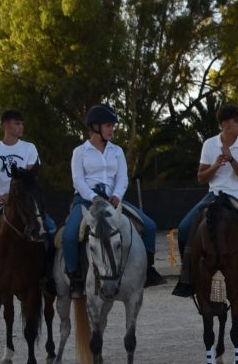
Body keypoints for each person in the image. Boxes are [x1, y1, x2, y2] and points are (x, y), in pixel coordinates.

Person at [171, 105, 238, 299]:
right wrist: (216, 165)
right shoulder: (209, 144)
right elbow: (201, 177)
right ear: (225, 124)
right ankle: (187, 277)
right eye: (237, 121)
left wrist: (232, 160)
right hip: (215, 194)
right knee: (183, 229)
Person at [63, 104, 163, 298]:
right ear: (95, 127)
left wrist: (117, 195)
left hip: (113, 200)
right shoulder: (80, 152)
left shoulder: (117, 151)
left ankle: (149, 271)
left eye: (112, 126)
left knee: (150, 227)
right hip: (85, 200)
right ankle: (75, 279)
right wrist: (93, 197)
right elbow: (78, 181)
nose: (111, 129)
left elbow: (122, 178)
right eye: (108, 125)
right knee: (68, 236)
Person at [0, 110, 56, 297]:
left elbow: (30, 178)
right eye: (17, 124)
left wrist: (14, 195)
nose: (21, 127)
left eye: (22, 124)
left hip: (26, 203)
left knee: (52, 231)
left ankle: (47, 277)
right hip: (2, 203)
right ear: (6, 125)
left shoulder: (29, 148)